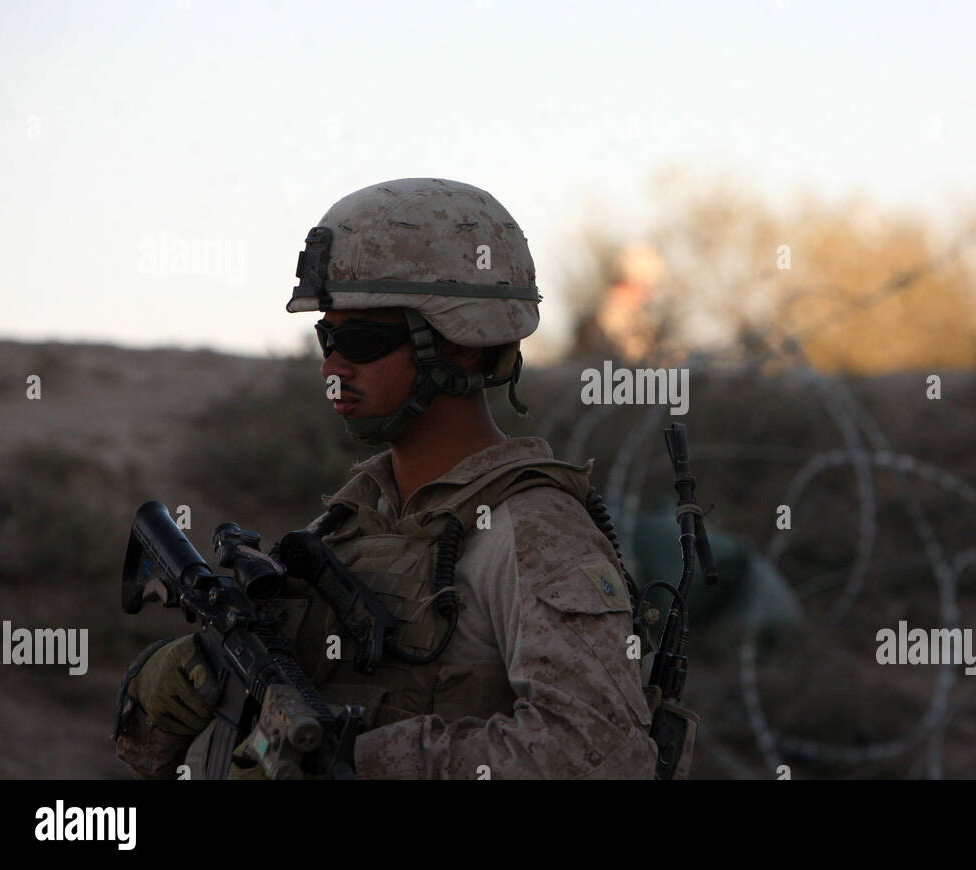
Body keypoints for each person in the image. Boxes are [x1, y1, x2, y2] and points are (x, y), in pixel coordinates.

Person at [114, 178, 659, 779]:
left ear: (462, 348)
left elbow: (606, 755)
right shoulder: (348, 523)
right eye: (326, 336)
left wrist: (359, 759)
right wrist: (177, 693)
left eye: (361, 340)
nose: (331, 366)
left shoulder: (530, 532)